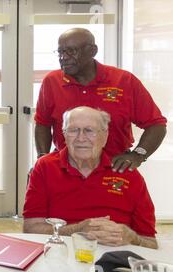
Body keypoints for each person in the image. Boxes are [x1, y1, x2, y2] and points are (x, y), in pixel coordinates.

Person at [35, 28, 167, 173]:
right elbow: (43, 124)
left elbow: (156, 125)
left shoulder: (123, 81)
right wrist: (42, 159)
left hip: (114, 170)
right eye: (60, 52)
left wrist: (137, 155)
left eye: (71, 51)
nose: (64, 57)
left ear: (92, 51)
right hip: (64, 170)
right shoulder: (52, 81)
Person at [23, 107, 157, 249]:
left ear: (104, 136)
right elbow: (31, 229)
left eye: (89, 131)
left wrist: (133, 238)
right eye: (73, 130)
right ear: (64, 135)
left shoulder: (128, 175)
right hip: (60, 253)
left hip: (115, 259)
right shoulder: (45, 167)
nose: (81, 138)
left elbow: (150, 243)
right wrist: (77, 230)